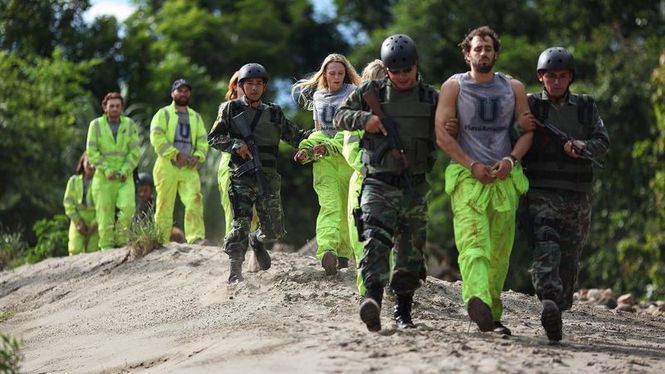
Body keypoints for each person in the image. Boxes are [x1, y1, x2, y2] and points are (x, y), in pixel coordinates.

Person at [335, 34, 441, 331]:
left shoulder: (430, 97)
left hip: (414, 185)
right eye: (396, 72)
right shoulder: (371, 92)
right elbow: (340, 116)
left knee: (410, 250)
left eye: (407, 71)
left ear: (416, 66)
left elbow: (447, 129)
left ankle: (404, 312)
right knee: (375, 241)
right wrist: (364, 120)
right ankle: (372, 300)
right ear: (388, 70)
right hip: (378, 182)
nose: (402, 77)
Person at [434, 26, 535, 335]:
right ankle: (476, 297)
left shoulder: (513, 87)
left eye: (488, 49)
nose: (483, 53)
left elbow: (527, 130)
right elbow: (441, 133)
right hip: (468, 176)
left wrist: (511, 160)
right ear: (467, 54)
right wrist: (471, 164)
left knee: (499, 255)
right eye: (477, 49)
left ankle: (490, 313)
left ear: (496, 53)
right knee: (474, 243)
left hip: (505, 178)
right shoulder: (454, 86)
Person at [521, 47, 609, 342]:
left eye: (561, 76)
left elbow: (602, 141)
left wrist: (583, 147)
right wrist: (520, 127)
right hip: (541, 192)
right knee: (546, 245)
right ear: (541, 77)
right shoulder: (531, 105)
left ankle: (557, 308)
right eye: (550, 76)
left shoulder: (585, 107)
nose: (556, 82)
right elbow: (511, 135)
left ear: (570, 78)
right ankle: (548, 298)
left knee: (570, 258)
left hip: (577, 196)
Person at [208, 63, 310, 283]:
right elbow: (213, 138)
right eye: (249, 84)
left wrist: (316, 139)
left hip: (268, 177)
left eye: (258, 84)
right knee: (240, 224)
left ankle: (258, 240)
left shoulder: (273, 112)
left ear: (264, 87)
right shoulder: (230, 109)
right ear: (241, 86)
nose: (254, 88)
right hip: (241, 175)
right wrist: (236, 145)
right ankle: (235, 270)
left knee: (274, 229)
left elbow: (295, 135)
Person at [292, 53, 362, 275]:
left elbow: (352, 130)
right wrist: (307, 151)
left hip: (347, 157)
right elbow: (317, 132)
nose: (337, 77)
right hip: (325, 161)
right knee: (329, 205)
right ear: (324, 74)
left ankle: (343, 254)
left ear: (346, 74)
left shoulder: (353, 93)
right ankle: (327, 251)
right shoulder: (318, 98)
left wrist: (331, 146)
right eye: (332, 73)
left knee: (347, 209)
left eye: (341, 73)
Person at [340, 59, 387, 294]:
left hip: (392, 186)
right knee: (362, 241)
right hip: (363, 184)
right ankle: (367, 291)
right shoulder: (356, 115)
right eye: (374, 81)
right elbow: (350, 149)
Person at [149, 79, 209, 245]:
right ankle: (161, 240)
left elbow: (203, 141)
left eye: (186, 91)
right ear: (172, 93)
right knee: (164, 204)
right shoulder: (163, 114)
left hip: (189, 167)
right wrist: (175, 155)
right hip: (166, 165)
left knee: (194, 200)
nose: (183, 93)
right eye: (179, 90)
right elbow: (156, 138)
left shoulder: (196, 117)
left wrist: (197, 156)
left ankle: (195, 238)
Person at [86, 92, 140, 249]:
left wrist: (125, 170)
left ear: (122, 107)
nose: (115, 108)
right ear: (105, 107)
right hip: (104, 179)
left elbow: (135, 151)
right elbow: (92, 151)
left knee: (128, 207)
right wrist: (106, 169)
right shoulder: (95, 125)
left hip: (125, 176)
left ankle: (122, 242)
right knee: (105, 214)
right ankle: (107, 248)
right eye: (112, 106)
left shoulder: (129, 125)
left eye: (118, 106)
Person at [134, 172, 186, 243]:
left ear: (151, 190)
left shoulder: (158, 204)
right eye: (140, 191)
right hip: (145, 237)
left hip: (161, 233)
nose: (142, 194)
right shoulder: (136, 207)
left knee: (177, 233)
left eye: (146, 190)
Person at [63, 152, 98, 255]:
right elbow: (68, 203)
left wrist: (95, 223)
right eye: (88, 162)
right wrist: (77, 221)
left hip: (94, 219)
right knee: (75, 249)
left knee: (94, 251)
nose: (90, 165)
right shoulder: (73, 181)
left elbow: (104, 205)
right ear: (83, 162)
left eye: (93, 163)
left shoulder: (100, 182)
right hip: (78, 218)